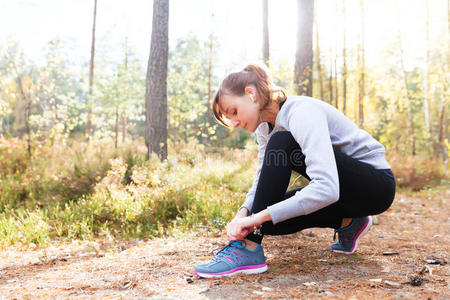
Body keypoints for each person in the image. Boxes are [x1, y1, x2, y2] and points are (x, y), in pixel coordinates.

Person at [193, 64, 396, 278]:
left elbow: (327, 187)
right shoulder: (264, 128)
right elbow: (262, 179)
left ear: (250, 94)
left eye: (234, 111)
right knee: (267, 222)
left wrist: (255, 220)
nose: (233, 123)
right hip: (345, 192)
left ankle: (249, 248)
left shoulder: (301, 113)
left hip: (375, 186)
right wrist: (243, 214)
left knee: (281, 147)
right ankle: (350, 221)